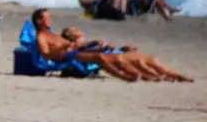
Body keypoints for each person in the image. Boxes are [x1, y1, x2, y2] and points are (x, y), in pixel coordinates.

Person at [33, 8, 191, 82]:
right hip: (68, 56)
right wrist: (64, 48)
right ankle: (137, 77)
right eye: (47, 18)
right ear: (40, 21)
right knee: (102, 57)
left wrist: (90, 44)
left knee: (128, 56)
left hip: (78, 50)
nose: (50, 20)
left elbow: (77, 44)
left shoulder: (53, 34)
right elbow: (46, 55)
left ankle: (170, 75)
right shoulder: (41, 36)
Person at [60, 26, 193, 82]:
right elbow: (91, 53)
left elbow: (105, 50)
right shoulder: (75, 51)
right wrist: (96, 46)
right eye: (79, 37)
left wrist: (123, 48)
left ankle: (175, 75)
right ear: (72, 39)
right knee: (140, 62)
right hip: (113, 59)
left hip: (116, 55)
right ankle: (158, 76)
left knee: (150, 59)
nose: (83, 39)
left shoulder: (86, 47)